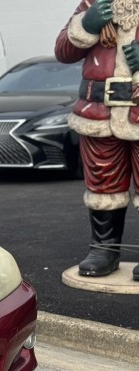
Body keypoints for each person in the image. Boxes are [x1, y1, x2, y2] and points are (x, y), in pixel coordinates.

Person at [56, 0, 139, 280]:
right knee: (103, 183)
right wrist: (87, 24)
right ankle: (105, 249)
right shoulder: (93, 3)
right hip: (98, 111)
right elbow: (62, 51)